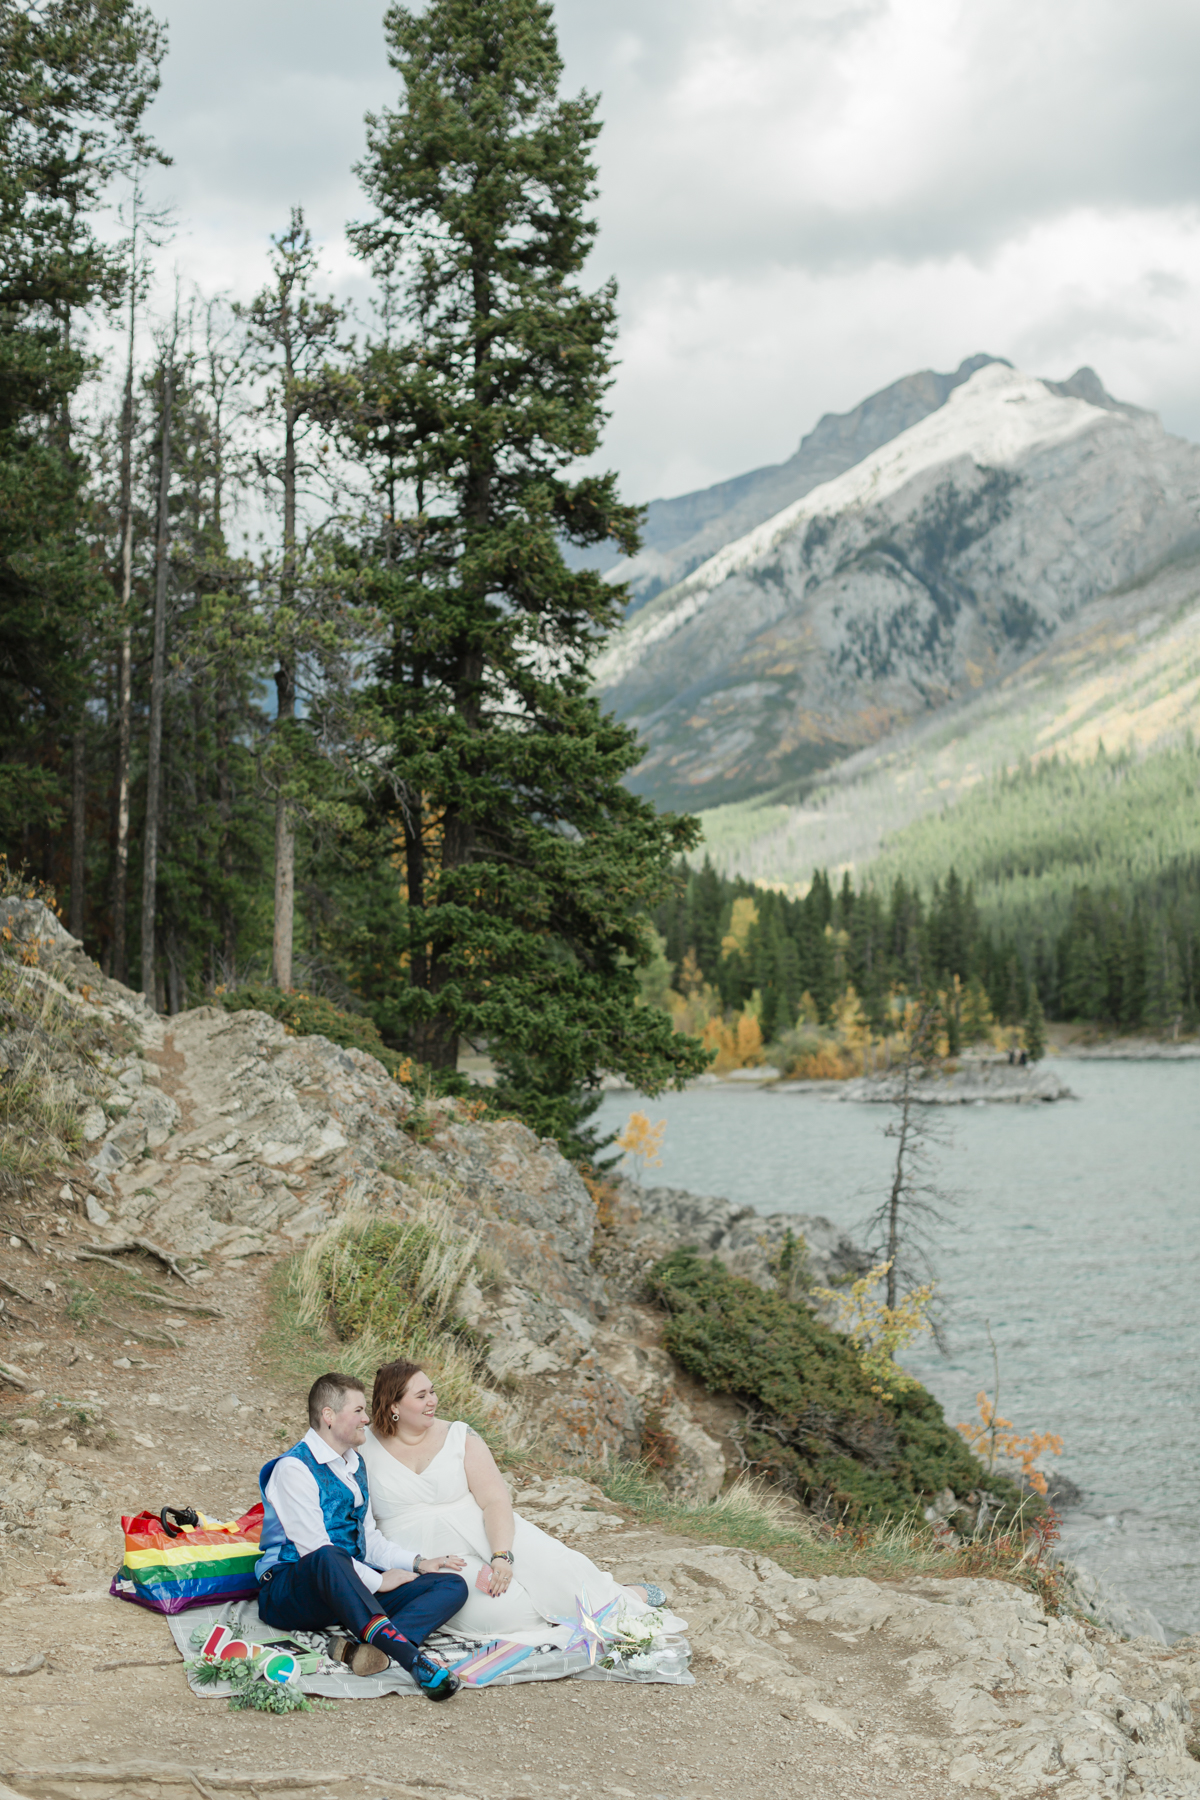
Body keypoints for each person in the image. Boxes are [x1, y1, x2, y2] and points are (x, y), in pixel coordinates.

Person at [358, 1359, 686, 1645]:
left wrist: (502, 1556)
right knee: (501, 1611)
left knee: (559, 1569)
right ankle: (565, 1617)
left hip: (481, 1528)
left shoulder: (459, 1435)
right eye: (422, 1396)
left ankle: (625, 1595)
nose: (433, 1400)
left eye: (433, 1391)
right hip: (424, 1551)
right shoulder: (362, 1447)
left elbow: (495, 1500)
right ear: (394, 1406)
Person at [256, 1370, 470, 1700]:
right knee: (328, 1556)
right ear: (328, 1416)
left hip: (349, 1593)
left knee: (450, 1584)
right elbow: (314, 1550)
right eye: (357, 1411)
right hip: (291, 1593)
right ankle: (413, 1662)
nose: (367, 1419)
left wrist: (416, 1562)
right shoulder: (294, 1469)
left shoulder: (354, 1463)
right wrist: (378, 1581)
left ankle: (365, 1650)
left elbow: (368, 1538)